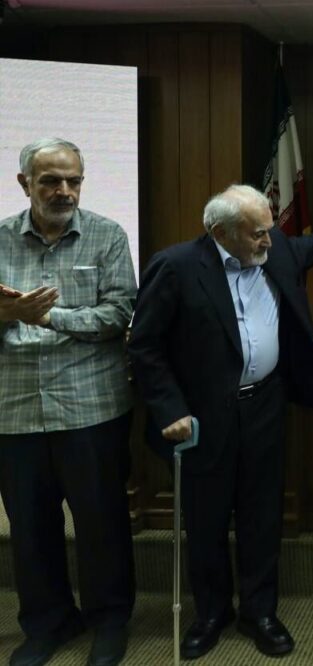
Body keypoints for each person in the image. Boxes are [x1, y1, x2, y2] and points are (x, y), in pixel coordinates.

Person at [127, 182, 313, 660]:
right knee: (207, 518)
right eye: (256, 233)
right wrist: (170, 410)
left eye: (269, 230)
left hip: (265, 406)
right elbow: (145, 346)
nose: (267, 241)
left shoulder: (276, 253)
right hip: (201, 416)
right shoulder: (176, 267)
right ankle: (211, 613)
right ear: (220, 232)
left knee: (262, 514)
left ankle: (260, 613)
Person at [0, 138, 137, 666]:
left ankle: (109, 621)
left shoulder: (107, 235)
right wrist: (7, 316)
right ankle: (47, 623)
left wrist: (46, 317)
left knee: (101, 522)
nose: (64, 191)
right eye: (50, 181)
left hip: (90, 407)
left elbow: (117, 315)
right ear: (24, 184)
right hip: (15, 409)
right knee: (30, 526)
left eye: (73, 180)